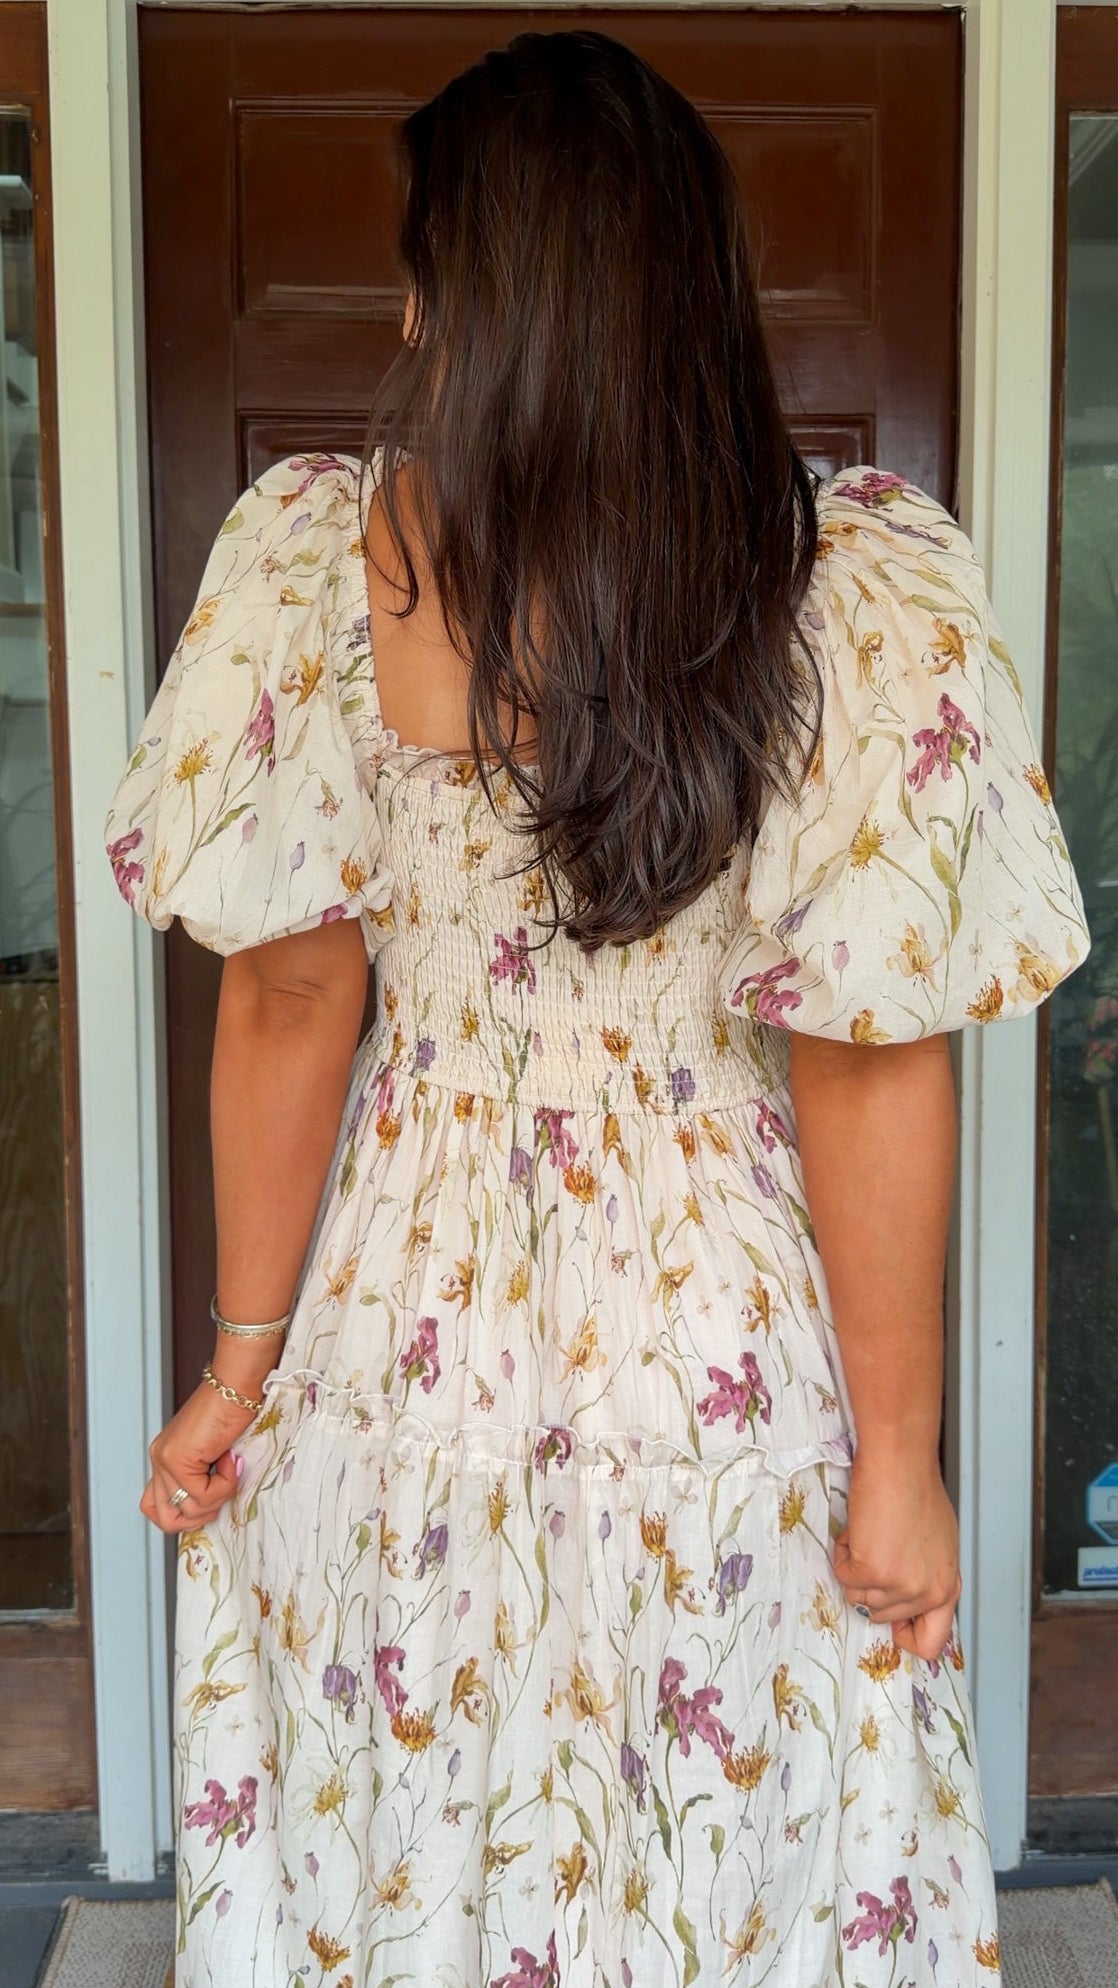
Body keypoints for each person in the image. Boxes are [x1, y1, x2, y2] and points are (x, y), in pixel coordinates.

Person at [106, 29, 1088, 1988]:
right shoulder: (839, 577)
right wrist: (894, 1455)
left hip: (413, 1309)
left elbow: (294, 996)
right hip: (706, 1312)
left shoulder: (316, 560)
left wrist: (239, 1358)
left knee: (438, 1783)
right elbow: (866, 1044)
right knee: (715, 1795)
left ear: (469, 293)